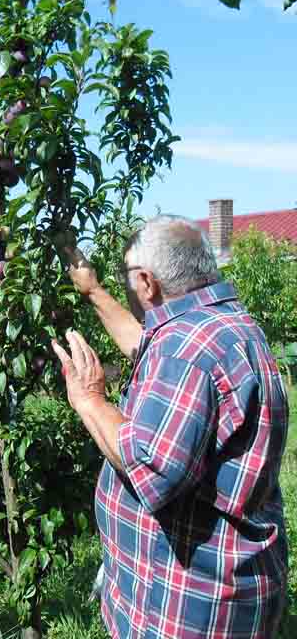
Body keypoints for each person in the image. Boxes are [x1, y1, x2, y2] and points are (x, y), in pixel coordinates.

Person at [52, 215, 288, 639]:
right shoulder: (219, 325)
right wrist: (93, 291)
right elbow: (145, 347)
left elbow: (150, 468)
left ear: (146, 282)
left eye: (126, 276)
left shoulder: (186, 352)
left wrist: (90, 401)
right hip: (218, 591)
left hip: (191, 607)